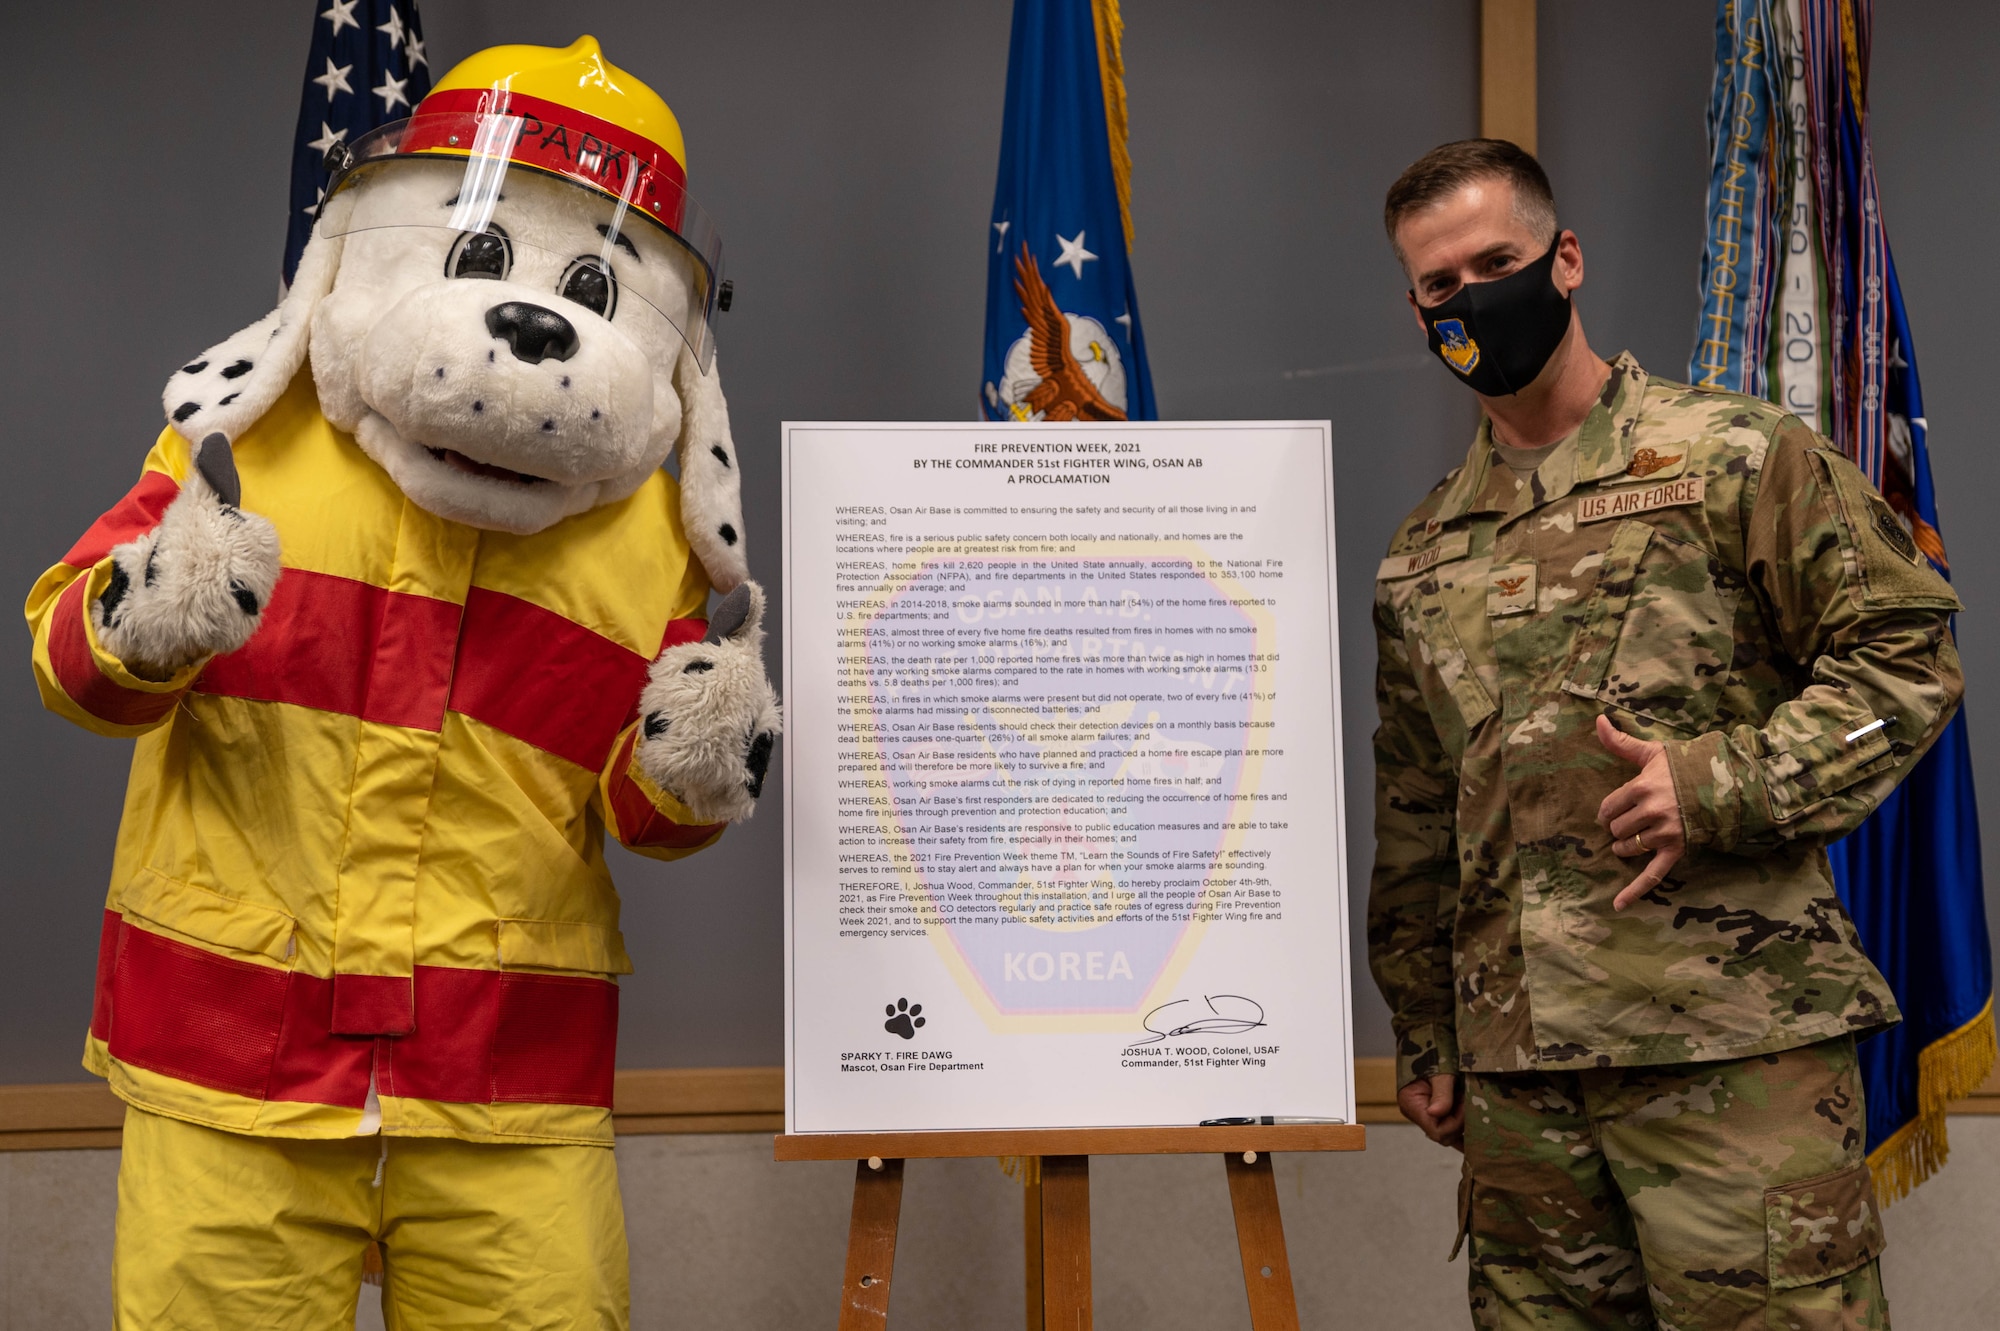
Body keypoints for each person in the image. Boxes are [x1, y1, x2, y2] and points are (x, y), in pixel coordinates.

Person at [1368, 138, 1962, 1330]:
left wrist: (1722, 783)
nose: (1469, 297)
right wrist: (1426, 1028)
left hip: (1728, 1055)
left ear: (1565, 258)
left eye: (1496, 261)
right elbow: (1418, 813)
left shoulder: (1732, 457)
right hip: (1521, 1084)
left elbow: (1907, 654)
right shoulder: (1422, 551)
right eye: (1438, 284)